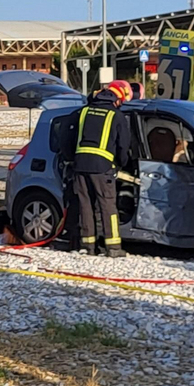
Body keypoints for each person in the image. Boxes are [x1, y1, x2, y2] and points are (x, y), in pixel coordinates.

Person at [73, 83, 132, 256]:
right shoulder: (116, 116)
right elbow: (123, 145)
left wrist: (72, 159)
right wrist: (122, 163)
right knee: (108, 206)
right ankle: (113, 248)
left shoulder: (84, 111)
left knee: (85, 205)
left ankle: (88, 246)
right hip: (102, 167)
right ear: (117, 100)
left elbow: (70, 136)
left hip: (80, 164)